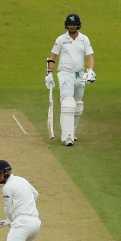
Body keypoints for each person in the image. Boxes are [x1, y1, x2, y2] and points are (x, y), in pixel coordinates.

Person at [45, 13, 95, 146]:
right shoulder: (61, 39)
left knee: (77, 104)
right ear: (66, 25)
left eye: (74, 24)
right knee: (68, 102)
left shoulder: (84, 39)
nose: (72, 26)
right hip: (65, 74)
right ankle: (67, 136)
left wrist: (90, 71)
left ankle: (72, 131)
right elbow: (53, 57)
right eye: (70, 24)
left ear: (78, 25)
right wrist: (49, 74)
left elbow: (89, 57)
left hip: (80, 74)